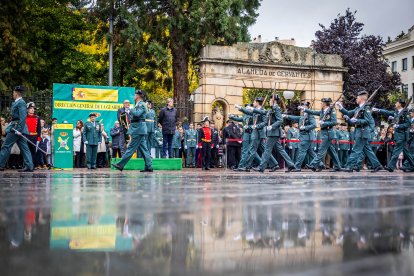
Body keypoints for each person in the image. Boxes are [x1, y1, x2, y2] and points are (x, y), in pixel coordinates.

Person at [250, 94, 296, 173]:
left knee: (267, 150)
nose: (269, 101)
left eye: (270, 100)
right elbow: (264, 112)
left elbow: (280, 120)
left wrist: (272, 126)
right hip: (273, 133)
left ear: (274, 101)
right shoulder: (272, 109)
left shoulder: (276, 108)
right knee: (281, 150)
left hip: (273, 133)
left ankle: (261, 167)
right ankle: (291, 165)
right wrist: (253, 109)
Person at [112, 90, 153, 172]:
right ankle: (149, 166)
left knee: (131, 148)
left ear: (138, 96)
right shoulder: (139, 104)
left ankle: (121, 165)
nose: (134, 96)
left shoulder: (141, 104)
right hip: (138, 129)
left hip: (138, 129)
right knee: (144, 149)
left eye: (135, 95)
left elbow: (138, 114)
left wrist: (130, 109)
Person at [372, 99, 414, 172]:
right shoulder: (397, 112)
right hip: (398, 135)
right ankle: (412, 165)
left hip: (402, 135)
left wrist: (398, 126)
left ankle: (391, 167)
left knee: (396, 150)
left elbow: (408, 124)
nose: (395, 104)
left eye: (396, 103)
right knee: (407, 153)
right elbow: (387, 112)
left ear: (400, 104)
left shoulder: (405, 112)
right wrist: (378, 110)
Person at [302, 98, 341, 172]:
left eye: (321, 103)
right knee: (332, 152)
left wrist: (324, 123)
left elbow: (334, 122)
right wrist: (305, 109)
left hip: (328, 133)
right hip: (325, 133)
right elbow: (313, 112)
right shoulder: (323, 112)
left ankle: (313, 165)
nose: (320, 104)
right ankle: (338, 166)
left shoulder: (331, 111)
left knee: (321, 150)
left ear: (324, 104)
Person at [0, 86, 34, 172]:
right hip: (17, 127)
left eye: (13, 92)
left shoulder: (21, 102)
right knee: (24, 147)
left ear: (16, 93)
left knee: (6, 146)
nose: (13, 94)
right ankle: (29, 166)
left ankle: (0, 164)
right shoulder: (18, 102)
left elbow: (23, 117)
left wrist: (18, 129)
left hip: (16, 128)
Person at [283, 101, 318, 171]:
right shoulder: (303, 116)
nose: (301, 108)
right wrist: (286, 116)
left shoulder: (310, 115)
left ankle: (297, 167)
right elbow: (295, 118)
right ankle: (320, 165)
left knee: (301, 152)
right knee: (311, 153)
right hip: (304, 137)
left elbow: (314, 125)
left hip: (306, 136)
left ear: (306, 107)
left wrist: (305, 127)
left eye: (303, 106)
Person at [25, 102, 42, 169]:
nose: (32, 110)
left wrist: (38, 139)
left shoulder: (37, 118)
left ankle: (32, 165)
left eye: (33, 108)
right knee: (26, 152)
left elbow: (39, 129)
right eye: (30, 108)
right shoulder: (24, 117)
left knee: (33, 152)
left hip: (34, 137)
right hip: (26, 137)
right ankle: (26, 165)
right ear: (27, 109)